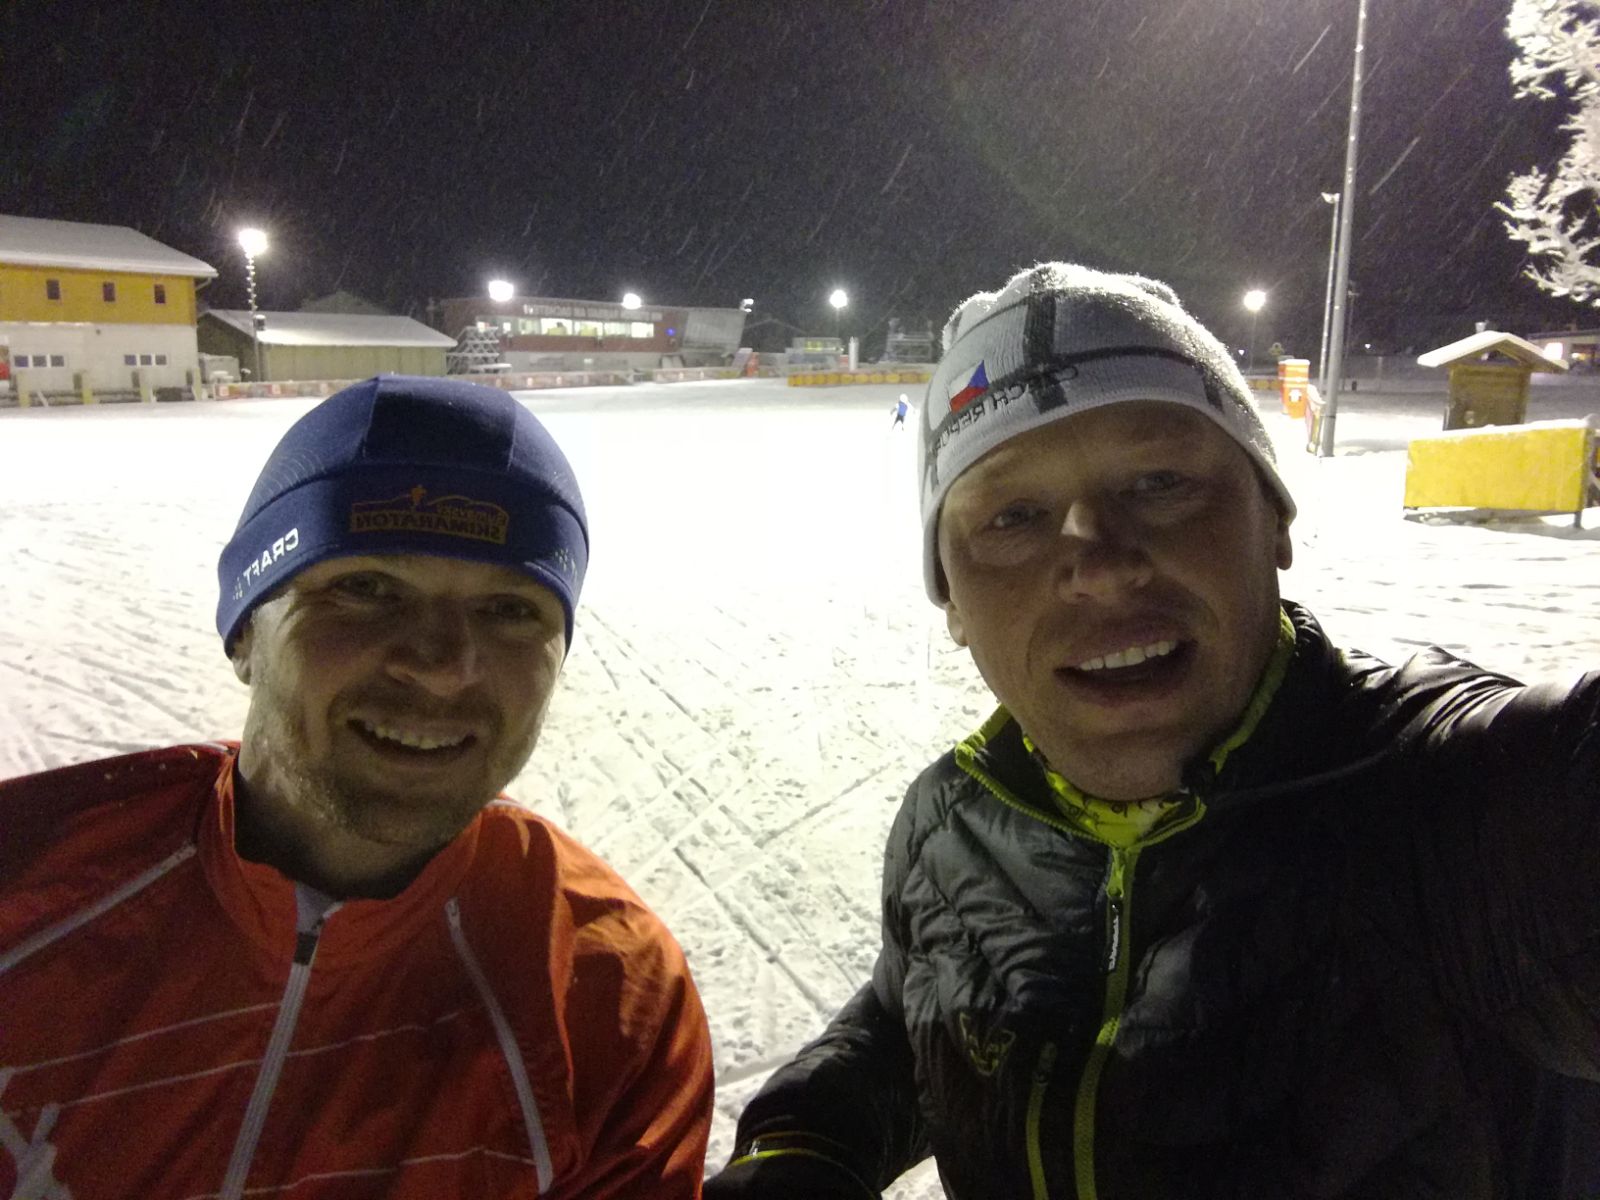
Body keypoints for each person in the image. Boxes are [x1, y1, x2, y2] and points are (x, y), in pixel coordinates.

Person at [706, 264, 1600, 1198]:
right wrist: (804, 1141)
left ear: (1274, 518)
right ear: (953, 603)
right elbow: (919, 1019)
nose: (1098, 565)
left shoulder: (1450, 803)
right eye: (1014, 516)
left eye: (1159, 482)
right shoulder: (954, 821)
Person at [0, 375, 714, 1199]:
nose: (442, 667)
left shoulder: (610, 997)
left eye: (510, 610)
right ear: (246, 631)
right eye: (366, 589)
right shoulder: (28, 885)